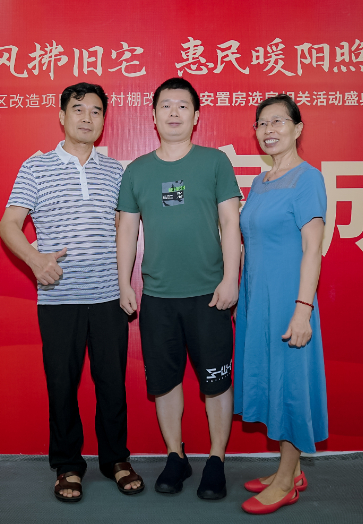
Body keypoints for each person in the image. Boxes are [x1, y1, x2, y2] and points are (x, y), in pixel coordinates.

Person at [0, 82, 143, 503]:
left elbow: (124, 231)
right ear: (62, 116)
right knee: (61, 384)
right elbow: (9, 225)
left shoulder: (115, 170)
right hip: (59, 298)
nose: (87, 117)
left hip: (108, 297)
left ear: (104, 120)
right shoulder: (36, 167)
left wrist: (125, 284)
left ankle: (116, 460)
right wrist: (35, 260)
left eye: (96, 111)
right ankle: (67, 466)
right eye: (78, 109)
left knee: (111, 383)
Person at [116, 77, 242, 500]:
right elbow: (127, 231)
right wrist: (124, 283)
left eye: (182, 106)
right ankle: (176, 455)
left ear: (196, 116)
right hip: (158, 298)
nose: (174, 112)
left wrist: (230, 279)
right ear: (153, 116)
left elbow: (230, 223)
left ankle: (216, 459)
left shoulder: (215, 163)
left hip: (210, 295)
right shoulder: (137, 170)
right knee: (165, 381)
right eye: (165, 105)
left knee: (216, 381)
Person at [234, 94, 328, 515]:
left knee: (290, 384)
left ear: (297, 128)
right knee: (272, 380)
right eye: (262, 123)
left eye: (278, 121)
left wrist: (303, 309)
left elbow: (312, 248)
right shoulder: (260, 182)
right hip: (259, 301)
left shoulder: (308, 178)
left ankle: (287, 481)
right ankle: (290, 469)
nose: (269, 130)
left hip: (291, 301)